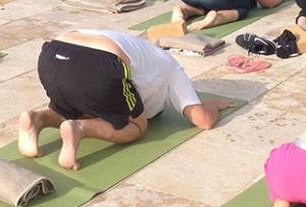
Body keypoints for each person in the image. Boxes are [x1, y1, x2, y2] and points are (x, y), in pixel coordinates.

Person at [18, 29, 235, 170]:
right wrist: (212, 105)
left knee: (83, 104)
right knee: (138, 127)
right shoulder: (173, 69)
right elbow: (203, 120)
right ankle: (79, 129)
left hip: (52, 54)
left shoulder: (146, 52)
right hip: (99, 62)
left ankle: (36, 119)